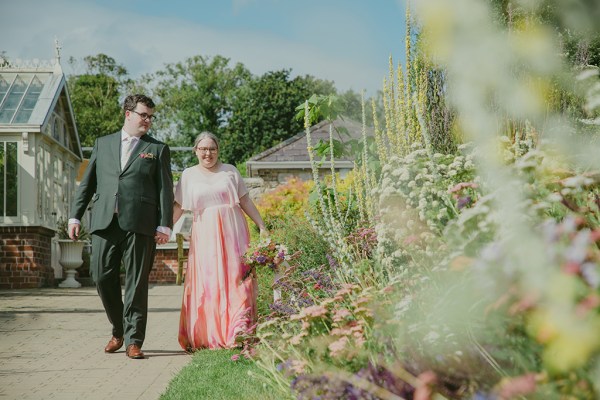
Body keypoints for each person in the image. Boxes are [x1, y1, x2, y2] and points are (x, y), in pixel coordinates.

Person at [68, 94, 174, 359]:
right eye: (143, 115)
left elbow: (165, 190)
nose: (148, 121)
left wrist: (165, 225)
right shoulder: (102, 144)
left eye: (151, 117)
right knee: (101, 277)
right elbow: (88, 184)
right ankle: (119, 330)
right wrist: (75, 216)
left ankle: (134, 340)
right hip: (105, 221)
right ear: (128, 113)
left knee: (137, 284)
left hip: (140, 224)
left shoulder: (157, 149)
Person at [173, 131, 267, 350]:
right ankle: (211, 332)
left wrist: (261, 225)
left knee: (237, 279)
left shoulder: (230, 171)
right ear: (195, 150)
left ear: (218, 150)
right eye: (203, 149)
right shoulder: (188, 175)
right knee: (210, 282)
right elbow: (178, 207)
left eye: (212, 149)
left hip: (234, 233)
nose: (208, 153)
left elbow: (245, 200)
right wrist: (163, 229)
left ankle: (239, 330)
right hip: (205, 237)